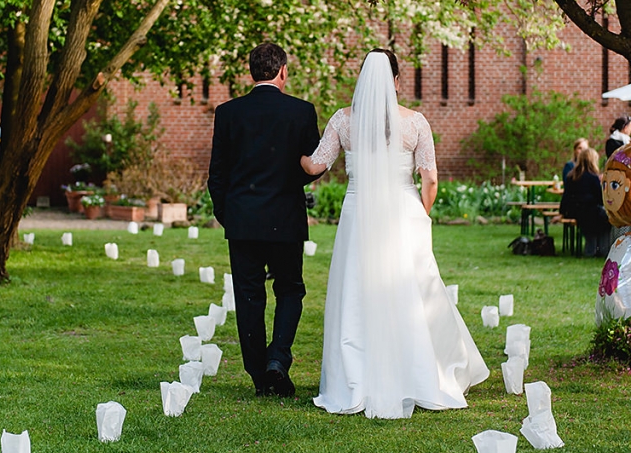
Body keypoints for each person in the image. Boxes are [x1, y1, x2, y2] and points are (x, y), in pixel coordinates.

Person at [300, 48, 489, 419]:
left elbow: (315, 165)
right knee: (413, 290)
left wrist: (295, 153)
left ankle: (355, 378)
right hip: (404, 213)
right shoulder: (416, 122)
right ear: (397, 82)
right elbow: (430, 178)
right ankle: (418, 374)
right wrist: (421, 213)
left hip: (358, 213)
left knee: (357, 290)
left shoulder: (343, 120)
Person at [208, 42, 321, 398]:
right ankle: (278, 360)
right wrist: (291, 186)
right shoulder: (302, 112)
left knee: (248, 296)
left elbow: (217, 176)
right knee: (290, 290)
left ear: (251, 72)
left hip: (242, 220)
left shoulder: (228, 113)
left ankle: (259, 375)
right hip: (286, 217)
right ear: (283, 72)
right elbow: (312, 165)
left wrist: (229, 216)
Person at [559, 147, 611, 257]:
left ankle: (591, 249)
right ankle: (602, 249)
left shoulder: (571, 176)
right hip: (590, 211)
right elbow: (600, 199)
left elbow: (566, 196)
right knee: (607, 219)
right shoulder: (592, 178)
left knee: (593, 220)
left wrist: (562, 212)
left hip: (575, 211)